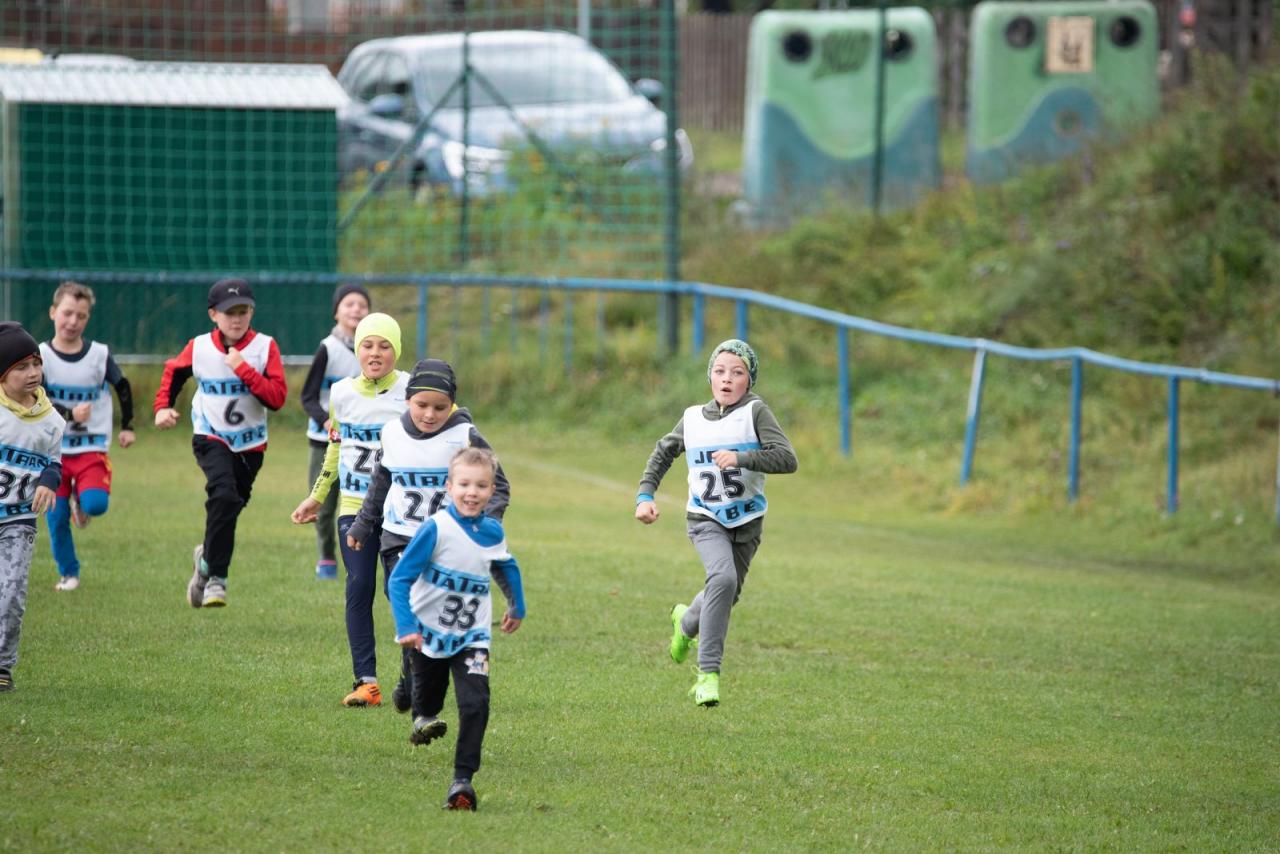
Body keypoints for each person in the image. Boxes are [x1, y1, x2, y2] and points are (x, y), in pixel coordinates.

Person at [634, 339, 797, 707]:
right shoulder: (692, 418)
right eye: (720, 371)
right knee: (722, 579)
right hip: (705, 518)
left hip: (748, 523)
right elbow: (663, 453)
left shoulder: (756, 412)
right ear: (710, 377)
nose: (727, 379)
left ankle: (685, 623)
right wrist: (645, 495)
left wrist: (743, 458)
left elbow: (788, 459)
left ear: (749, 380)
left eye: (737, 372)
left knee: (726, 594)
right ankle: (708, 676)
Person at [346, 358, 510, 714]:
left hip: (446, 542)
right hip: (399, 538)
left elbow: (499, 485)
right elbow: (380, 482)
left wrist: (486, 524)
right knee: (406, 601)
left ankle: (410, 677)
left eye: (440, 407)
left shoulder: (465, 436)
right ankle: (413, 674)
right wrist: (362, 523)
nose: (430, 414)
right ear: (408, 400)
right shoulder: (392, 433)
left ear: (452, 404)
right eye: (422, 405)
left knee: (431, 613)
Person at [386, 446, 525, 811]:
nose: (471, 492)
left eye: (481, 486)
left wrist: (517, 605)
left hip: (472, 636)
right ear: (449, 487)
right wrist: (406, 625)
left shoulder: (492, 531)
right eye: (464, 484)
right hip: (427, 633)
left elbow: (505, 565)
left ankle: (462, 780)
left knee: (476, 703)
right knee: (428, 703)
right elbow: (399, 579)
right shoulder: (436, 528)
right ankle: (415, 699)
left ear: (491, 490)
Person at [290, 312, 408, 707]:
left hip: (399, 512)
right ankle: (366, 683)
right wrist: (317, 496)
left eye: (384, 346)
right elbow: (336, 449)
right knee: (359, 585)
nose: (375, 353)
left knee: (398, 589)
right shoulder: (341, 393)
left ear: (396, 351)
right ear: (357, 349)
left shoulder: (411, 391)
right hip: (354, 508)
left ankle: (412, 673)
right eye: (367, 345)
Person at [154, 278, 287, 609]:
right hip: (210, 435)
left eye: (243, 311)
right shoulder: (199, 347)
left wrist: (244, 369)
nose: (237, 319)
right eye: (229, 313)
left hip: (251, 446)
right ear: (213, 314)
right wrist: (162, 407)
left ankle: (205, 561)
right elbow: (174, 372)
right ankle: (217, 580)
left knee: (228, 508)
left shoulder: (265, 347)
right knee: (223, 495)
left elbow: (276, 398)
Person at [39, 281, 136, 592]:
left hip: (91, 447)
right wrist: (68, 414)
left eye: (80, 316)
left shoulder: (98, 355)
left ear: (88, 318)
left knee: (96, 504)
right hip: (52, 452)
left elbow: (122, 386)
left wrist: (128, 426)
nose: (73, 321)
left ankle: (81, 501)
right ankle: (69, 573)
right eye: (67, 313)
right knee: (56, 517)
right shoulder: (40, 356)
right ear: (53, 312)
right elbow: (35, 399)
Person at [0, 323, 64, 692]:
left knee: (11, 592)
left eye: (36, 363)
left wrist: (48, 482)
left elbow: (53, 461)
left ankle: (2, 665)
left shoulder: (51, 420)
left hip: (19, 519)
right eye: (21, 366)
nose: (32, 372)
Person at [299, 282, 370, 581]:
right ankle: (326, 557)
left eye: (362, 305)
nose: (356, 309)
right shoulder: (328, 348)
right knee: (325, 505)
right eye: (349, 304)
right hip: (324, 439)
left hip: (361, 441)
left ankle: (366, 555)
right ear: (336, 312)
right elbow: (308, 396)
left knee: (363, 502)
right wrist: (325, 421)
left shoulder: (374, 349)